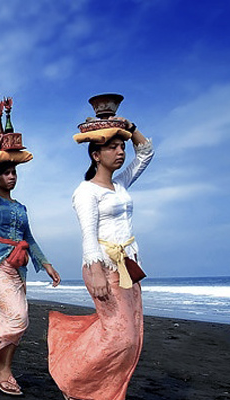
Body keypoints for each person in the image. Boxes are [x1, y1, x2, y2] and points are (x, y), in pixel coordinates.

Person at [49, 118, 153, 400]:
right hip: (103, 266)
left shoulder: (120, 185)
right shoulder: (86, 191)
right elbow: (88, 235)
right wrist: (94, 271)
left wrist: (129, 128)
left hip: (128, 267)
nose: (121, 152)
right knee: (121, 336)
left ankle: (97, 390)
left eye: (121, 147)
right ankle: (73, 380)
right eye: (113, 147)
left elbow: (145, 153)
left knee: (130, 335)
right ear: (96, 155)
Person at [0, 134, 60, 395]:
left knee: (7, 318)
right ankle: (2, 370)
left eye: (14, 172)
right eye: (7, 173)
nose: (12, 177)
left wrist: (46, 264)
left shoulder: (22, 207)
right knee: (18, 318)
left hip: (19, 267)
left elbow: (29, 238)